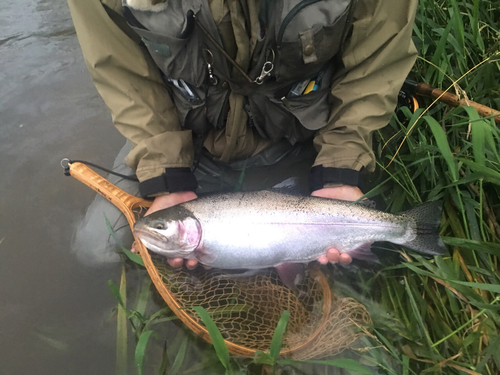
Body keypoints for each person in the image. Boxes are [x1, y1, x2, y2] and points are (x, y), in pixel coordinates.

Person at [68, 0, 418, 268]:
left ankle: (404, 229)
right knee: (95, 248)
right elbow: (127, 79)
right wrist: (165, 177)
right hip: (178, 142)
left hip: (300, 144)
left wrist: (340, 167)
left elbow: (373, 68)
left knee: (337, 273)